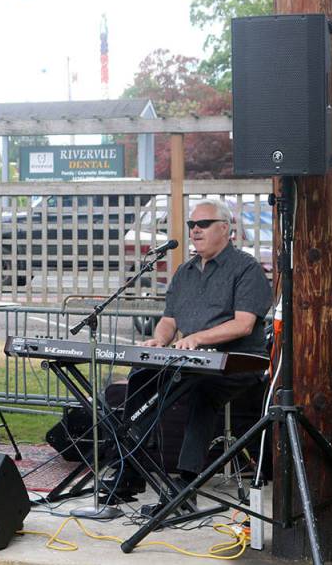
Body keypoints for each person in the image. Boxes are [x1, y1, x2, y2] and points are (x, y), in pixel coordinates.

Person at [108, 199, 272, 502]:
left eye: (203, 224)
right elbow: (168, 321)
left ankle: (187, 481)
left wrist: (198, 338)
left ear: (225, 229)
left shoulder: (246, 268)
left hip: (238, 361)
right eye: (191, 225)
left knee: (201, 389)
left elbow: (244, 324)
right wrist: (159, 340)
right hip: (194, 358)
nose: (195, 230)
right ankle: (131, 472)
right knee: (142, 376)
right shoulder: (184, 271)